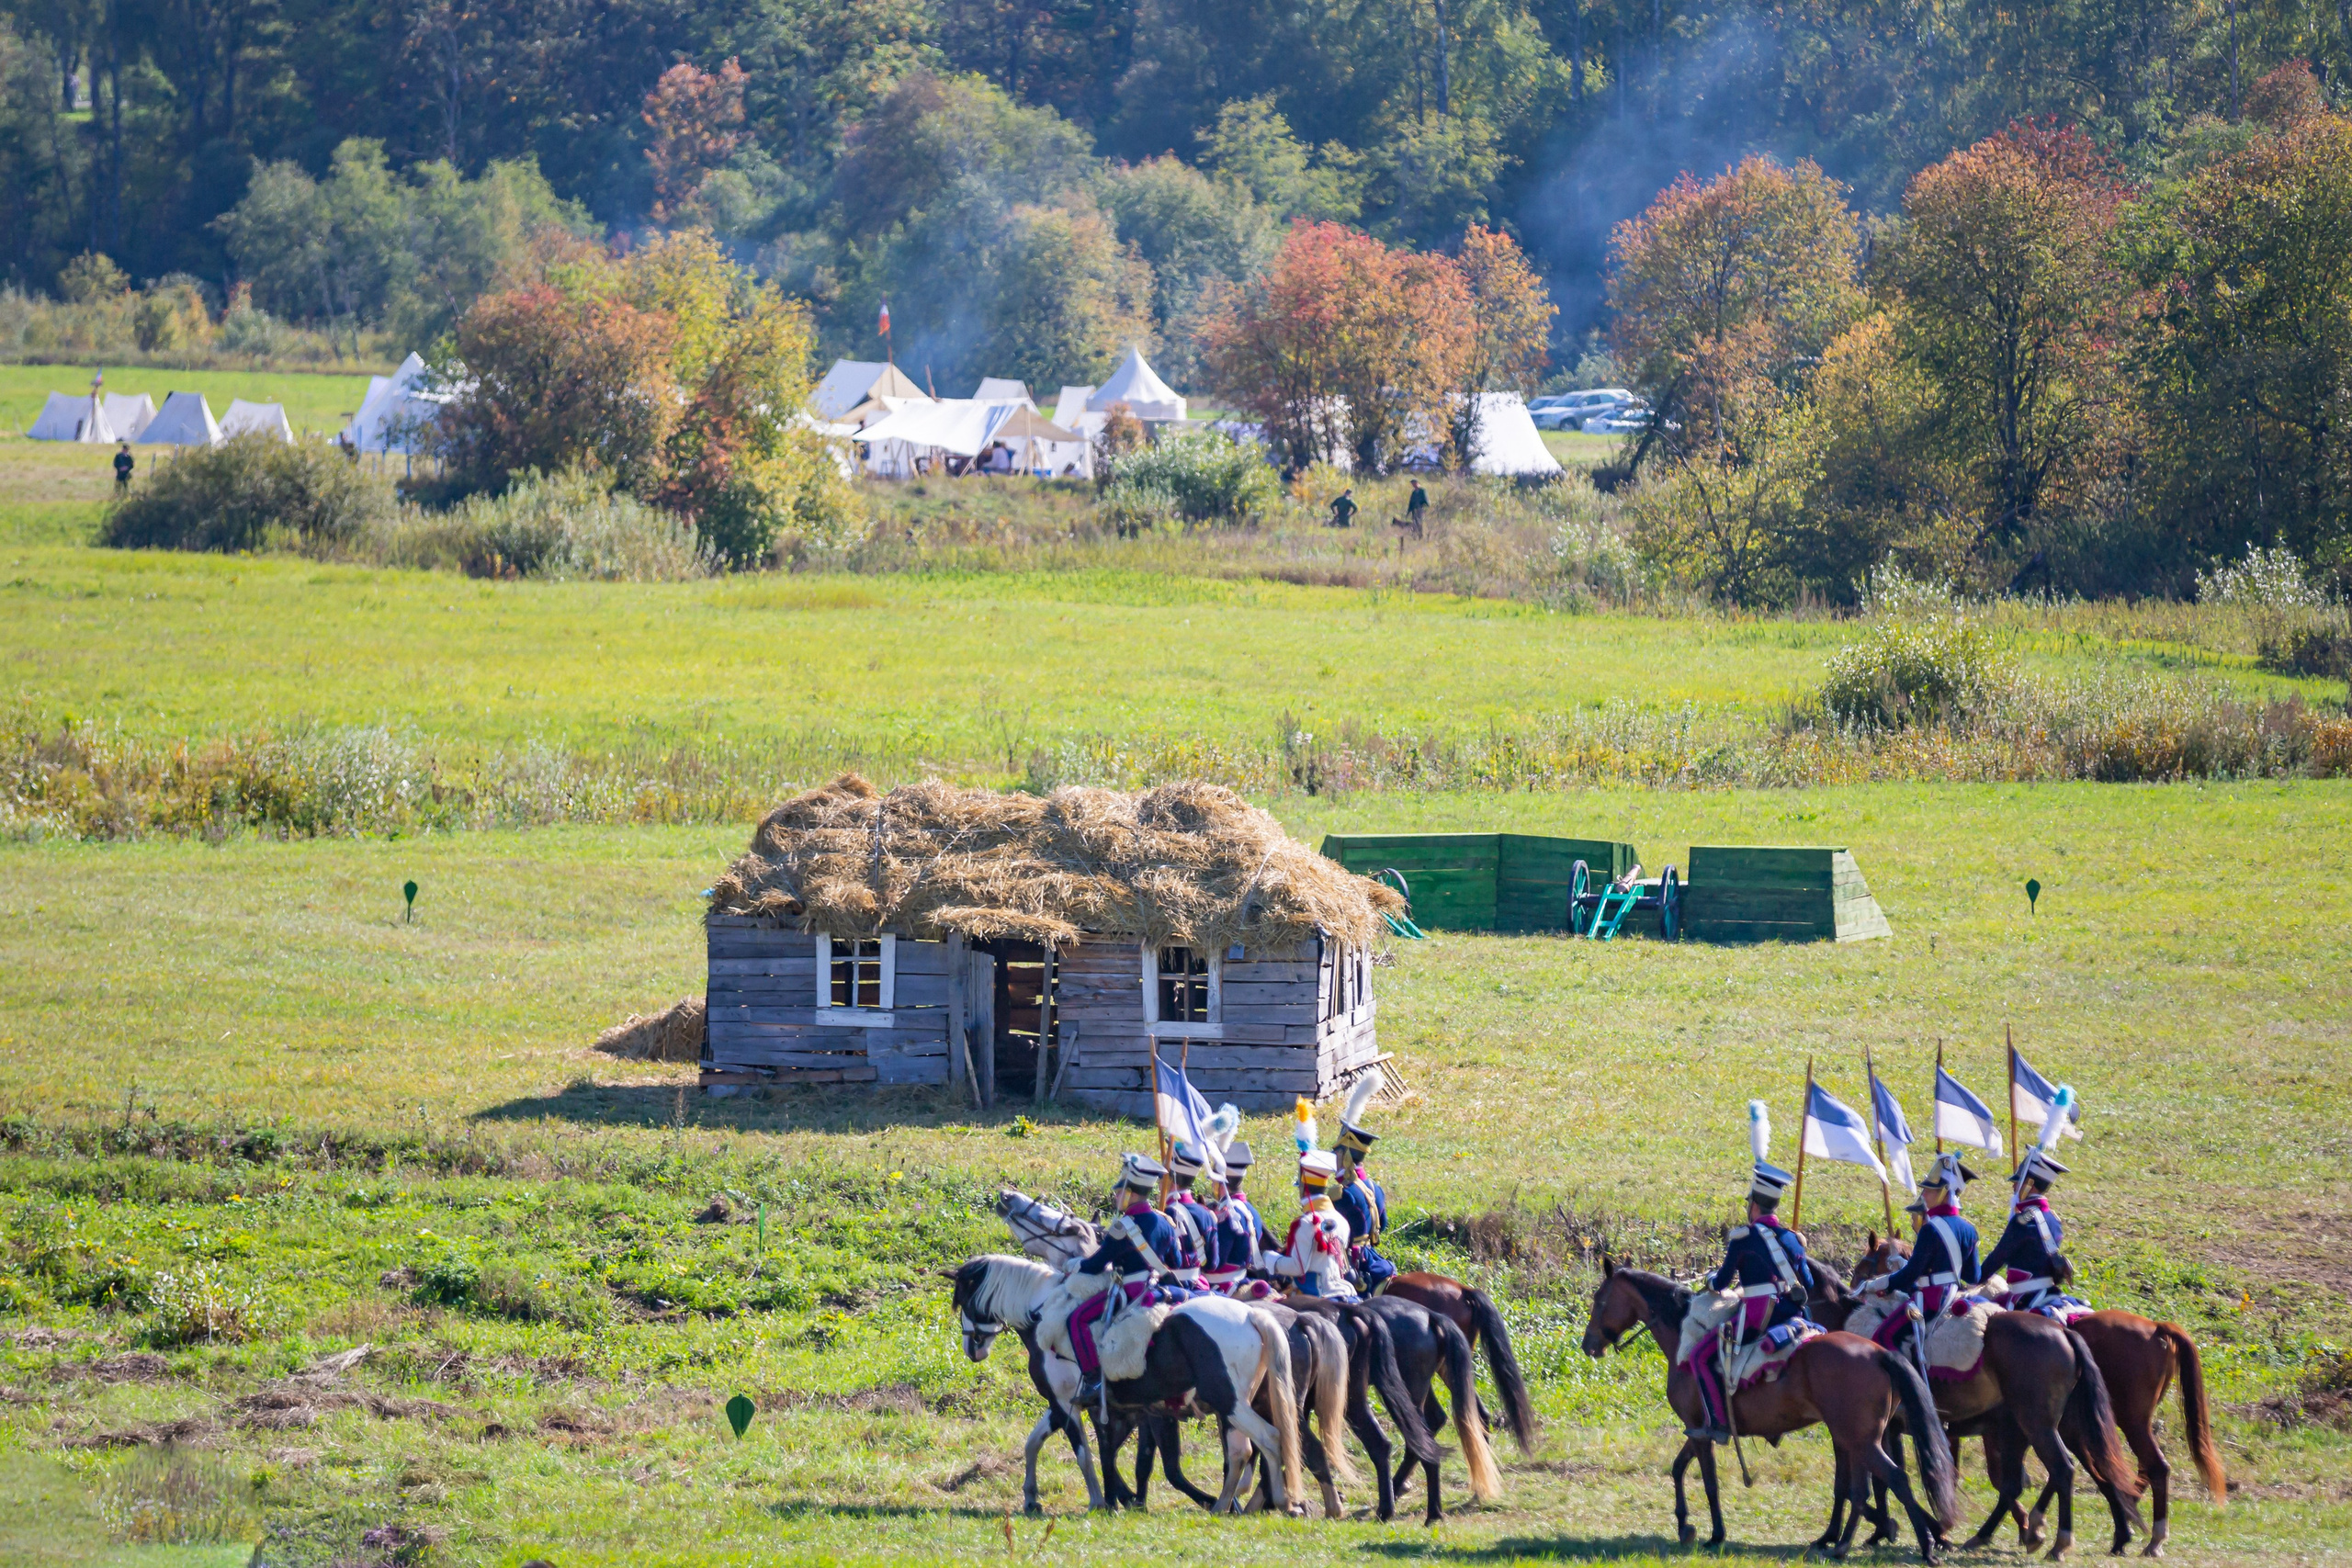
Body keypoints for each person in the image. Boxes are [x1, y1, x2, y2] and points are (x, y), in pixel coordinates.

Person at [1688, 1109, 1815, 1443]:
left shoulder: (1743, 1239)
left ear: (1754, 1206)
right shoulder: (1793, 1239)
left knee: (1701, 1356)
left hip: (1759, 1315)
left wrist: (1710, 1281)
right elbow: (1810, 1285)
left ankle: (1717, 1422)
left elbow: (1721, 1283)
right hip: (1794, 1314)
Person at [1069, 1153, 1188, 1408]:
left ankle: (1093, 1382)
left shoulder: (1123, 1227)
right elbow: (1175, 1263)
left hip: (1131, 1291)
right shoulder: (1166, 1222)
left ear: (1131, 1193)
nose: (1115, 1196)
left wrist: (1075, 1264)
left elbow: (1095, 1265)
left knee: (1076, 1319)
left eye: (1119, 1191)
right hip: (1158, 1288)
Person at [1861, 1152, 1981, 1353]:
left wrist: (1881, 1283)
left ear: (1944, 1192)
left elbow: (1912, 1275)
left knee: (1883, 1336)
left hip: (1931, 1300)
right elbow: (1973, 1276)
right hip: (1955, 1296)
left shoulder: (1930, 1229)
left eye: (1930, 1190)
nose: (1924, 1195)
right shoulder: (1969, 1229)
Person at [1983, 1149, 2082, 1317]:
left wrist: (1974, 1279)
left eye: (2017, 1182)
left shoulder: (2023, 1221)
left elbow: (1998, 1257)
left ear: (2029, 1184)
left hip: (2024, 1297)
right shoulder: (2054, 1219)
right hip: (2047, 1291)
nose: (2014, 1186)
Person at [1330, 1074, 1396, 1295]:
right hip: (1373, 1255)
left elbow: (1335, 1236)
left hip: (1354, 1263)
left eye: (1338, 1153)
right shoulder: (1375, 1188)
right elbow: (1383, 1225)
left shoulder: (1344, 1194)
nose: (1336, 1158)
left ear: (1345, 1156)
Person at [1260, 1150, 1355, 1299]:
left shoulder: (1305, 1222)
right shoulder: (1342, 1221)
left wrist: (1269, 1258)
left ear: (1303, 1187)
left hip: (1314, 1293)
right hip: (1340, 1289)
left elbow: (1298, 1267)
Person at [1203, 1139, 1271, 1297]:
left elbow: (1216, 1263)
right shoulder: (1253, 1211)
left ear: (1219, 1181)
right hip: (1242, 1279)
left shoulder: (1226, 1214)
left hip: (1222, 1288)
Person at [1162, 1137, 1219, 1287]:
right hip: (1201, 1286)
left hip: (1172, 1287)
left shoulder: (1166, 1213)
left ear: (1170, 1180)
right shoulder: (1207, 1213)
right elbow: (1212, 1264)